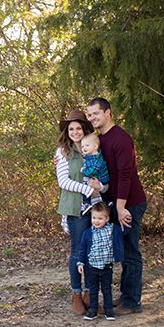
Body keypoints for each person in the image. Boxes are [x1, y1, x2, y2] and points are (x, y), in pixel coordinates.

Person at [85, 97, 148, 314]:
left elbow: (125, 176)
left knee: (130, 252)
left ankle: (133, 302)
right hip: (115, 203)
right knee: (119, 250)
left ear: (108, 112)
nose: (92, 118)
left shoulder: (121, 139)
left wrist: (121, 208)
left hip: (130, 203)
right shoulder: (100, 139)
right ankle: (126, 296)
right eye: (89, 114)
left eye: (96, 113)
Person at [54, 109, 101, 315]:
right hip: (76, 208)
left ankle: (90, 294)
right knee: (78, 251)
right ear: (67, 131)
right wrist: (88, 189)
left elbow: (103, 178)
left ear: (85, 129)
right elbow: (63, 181)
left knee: (95, 252)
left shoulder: (95, 149)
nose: (75, 132)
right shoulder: (63, 152)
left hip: (96, 207)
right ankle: (76, 293)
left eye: (78, 128)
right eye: (71, 128)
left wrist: (101, 188)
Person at [76, 203, 122, 321]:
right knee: (93, 289)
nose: (96, 221)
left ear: (107, 219)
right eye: (94, 218)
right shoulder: (87, 233)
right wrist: (81, 263)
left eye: (100, 218)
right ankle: (93, 310)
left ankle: (108, 310)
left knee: (106, 289)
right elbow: (82, 249)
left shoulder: (112, 229)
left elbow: (124, 231)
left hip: (107, 266)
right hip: (92, 266)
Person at [79, 133, 110, 214]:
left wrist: (83, 170)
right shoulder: (91, 156)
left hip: (102, 180)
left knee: (86, 185)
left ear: (95, 146)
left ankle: (88, 203)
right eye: (82, 146)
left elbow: (91, 171)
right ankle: (95, 203)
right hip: (97, 178)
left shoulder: (96, 159)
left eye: (87, 145)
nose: (84, 148)